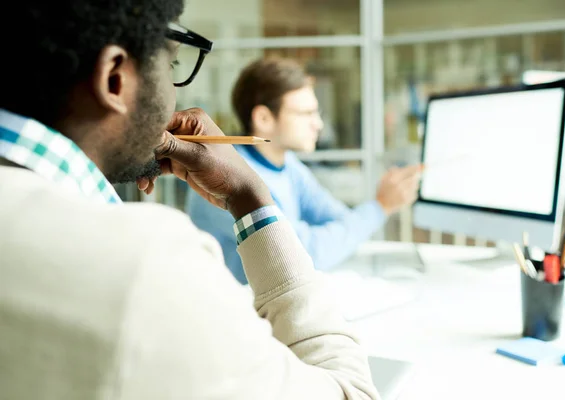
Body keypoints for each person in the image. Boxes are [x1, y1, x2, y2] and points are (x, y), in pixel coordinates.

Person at [0, 1, 379, 399]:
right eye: (172, 66)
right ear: (115, 78)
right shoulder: (147, 265)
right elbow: (351, 391)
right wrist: (250, 196)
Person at [187, 58, 422, 284]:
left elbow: (337, 217)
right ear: (264, 118)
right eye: (306, 113)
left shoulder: (287, 165)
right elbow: (303, 254)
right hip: (241, 314)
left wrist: (367, 216)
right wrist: (381, 206)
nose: (318, 124)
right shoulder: (226, 177)